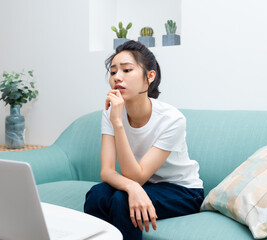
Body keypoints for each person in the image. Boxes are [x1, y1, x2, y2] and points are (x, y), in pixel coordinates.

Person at [84, 40, 204, 240]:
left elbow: (136, 176)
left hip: (183, 191)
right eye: (113, 72)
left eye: (127, 70)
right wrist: (132, 187)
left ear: (149, 77)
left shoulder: (171, 119)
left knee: (122, 200)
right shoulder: (111, 112)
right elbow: (106, 171)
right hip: (144, 184)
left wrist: (118, 123)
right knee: (97, 195)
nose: (117, 78)